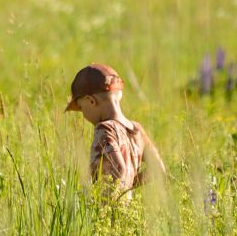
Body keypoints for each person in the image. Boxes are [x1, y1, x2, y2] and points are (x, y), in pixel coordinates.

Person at [64, 63, 165, 197]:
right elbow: (159, 169)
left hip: (107, 213)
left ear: (90, 101)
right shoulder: (138, 131)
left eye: (82, 108)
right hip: (126, 212)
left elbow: (118, 168)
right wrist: (128, 187)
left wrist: (106, 203)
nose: (83, 115)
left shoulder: (105, 129)